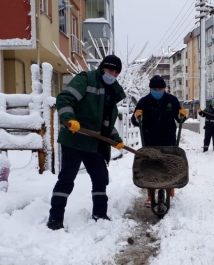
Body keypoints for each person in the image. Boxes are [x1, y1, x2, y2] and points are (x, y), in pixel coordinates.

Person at [47, 55, 126, 230]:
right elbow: (64, 99)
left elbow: (106, 124)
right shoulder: (86, 79)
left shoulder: (112, 91)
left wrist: (116, 139)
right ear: (102, 68)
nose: (112, 74)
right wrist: (69, 118)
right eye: (109, 69)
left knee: (100, 178)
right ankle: (55, 218)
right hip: (74, 139)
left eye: (115, 72)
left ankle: (100, 214)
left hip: (94, 143)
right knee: (67, 179)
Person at [131, 75, 187, 206]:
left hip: (169, 138)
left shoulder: (172, 100)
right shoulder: (144, 102)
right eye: (155, 89)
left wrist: (182, 115)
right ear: (150, 89)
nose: (157, 91)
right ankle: (150, 196)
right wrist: (137, 117)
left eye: (160, 88)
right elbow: (135, 121)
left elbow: (179, 119)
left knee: (169, 163)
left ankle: (170, 187)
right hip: (150, 138)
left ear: (164, 88)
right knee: (150, 167)